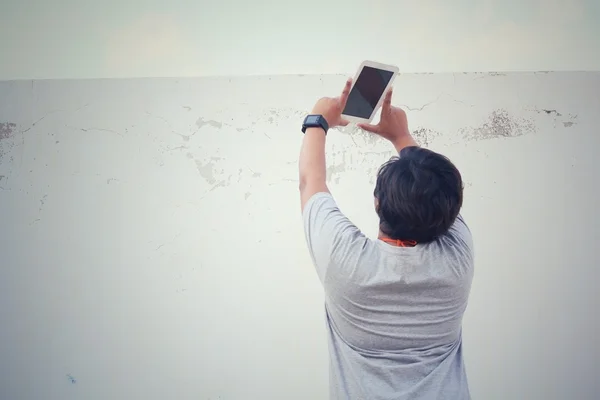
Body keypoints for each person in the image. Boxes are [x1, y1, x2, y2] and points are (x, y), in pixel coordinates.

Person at [298, 78, 474, 400]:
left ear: (377, 202)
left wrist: (319, 117)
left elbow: (311, 181)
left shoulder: (346, 263)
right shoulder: (458, 260)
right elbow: (439, 193)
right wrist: (402, 137)